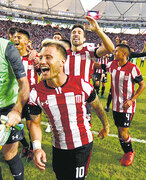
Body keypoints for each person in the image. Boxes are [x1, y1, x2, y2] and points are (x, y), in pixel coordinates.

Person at [28, 40, 109, 180]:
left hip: (82, 145)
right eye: (41, 57)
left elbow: (97, 106)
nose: (42, 61)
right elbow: (35, 123)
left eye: (48, 57)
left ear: (62, 62)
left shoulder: (81, 85)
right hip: (58, 147)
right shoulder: (35, 93)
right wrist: (37, 147)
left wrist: (106, 125)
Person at [64, 16, 114, 122]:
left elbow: (110, 48)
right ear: (70, 37)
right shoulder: (63, 54)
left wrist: (98, 30)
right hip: (65, 98)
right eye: (74, 32)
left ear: (84, 39)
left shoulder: (88, 52)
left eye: (79, 32)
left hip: (84, 98)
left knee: (85, 131)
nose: (76, 34)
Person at [104, 44, 145, 166]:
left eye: (116, 51)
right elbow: (98, 65)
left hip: (127, 106)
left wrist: (132, 100)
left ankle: (130, 152)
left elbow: (142, 85)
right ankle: (126, 151)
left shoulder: (132, 68)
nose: (114, 53)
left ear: (124, 54)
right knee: (119, 131)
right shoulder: (112, 65)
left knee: (123, 132)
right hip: (116, 106)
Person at [0, 37, 29, 179]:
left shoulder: (7, 48)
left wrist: (16, 110)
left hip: (7, 109)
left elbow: (24, 83)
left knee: (9, 154)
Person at [13, 28, 39, 162]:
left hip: (31, 98)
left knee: (31, 126)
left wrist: (36, 56)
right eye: (15, 37)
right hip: (15, 97)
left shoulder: (34, 58)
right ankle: (25, 145)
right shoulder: (10, 57)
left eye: (19, 37)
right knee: (13, 124)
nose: (16, 39)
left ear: (27, 41)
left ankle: (32, 149)